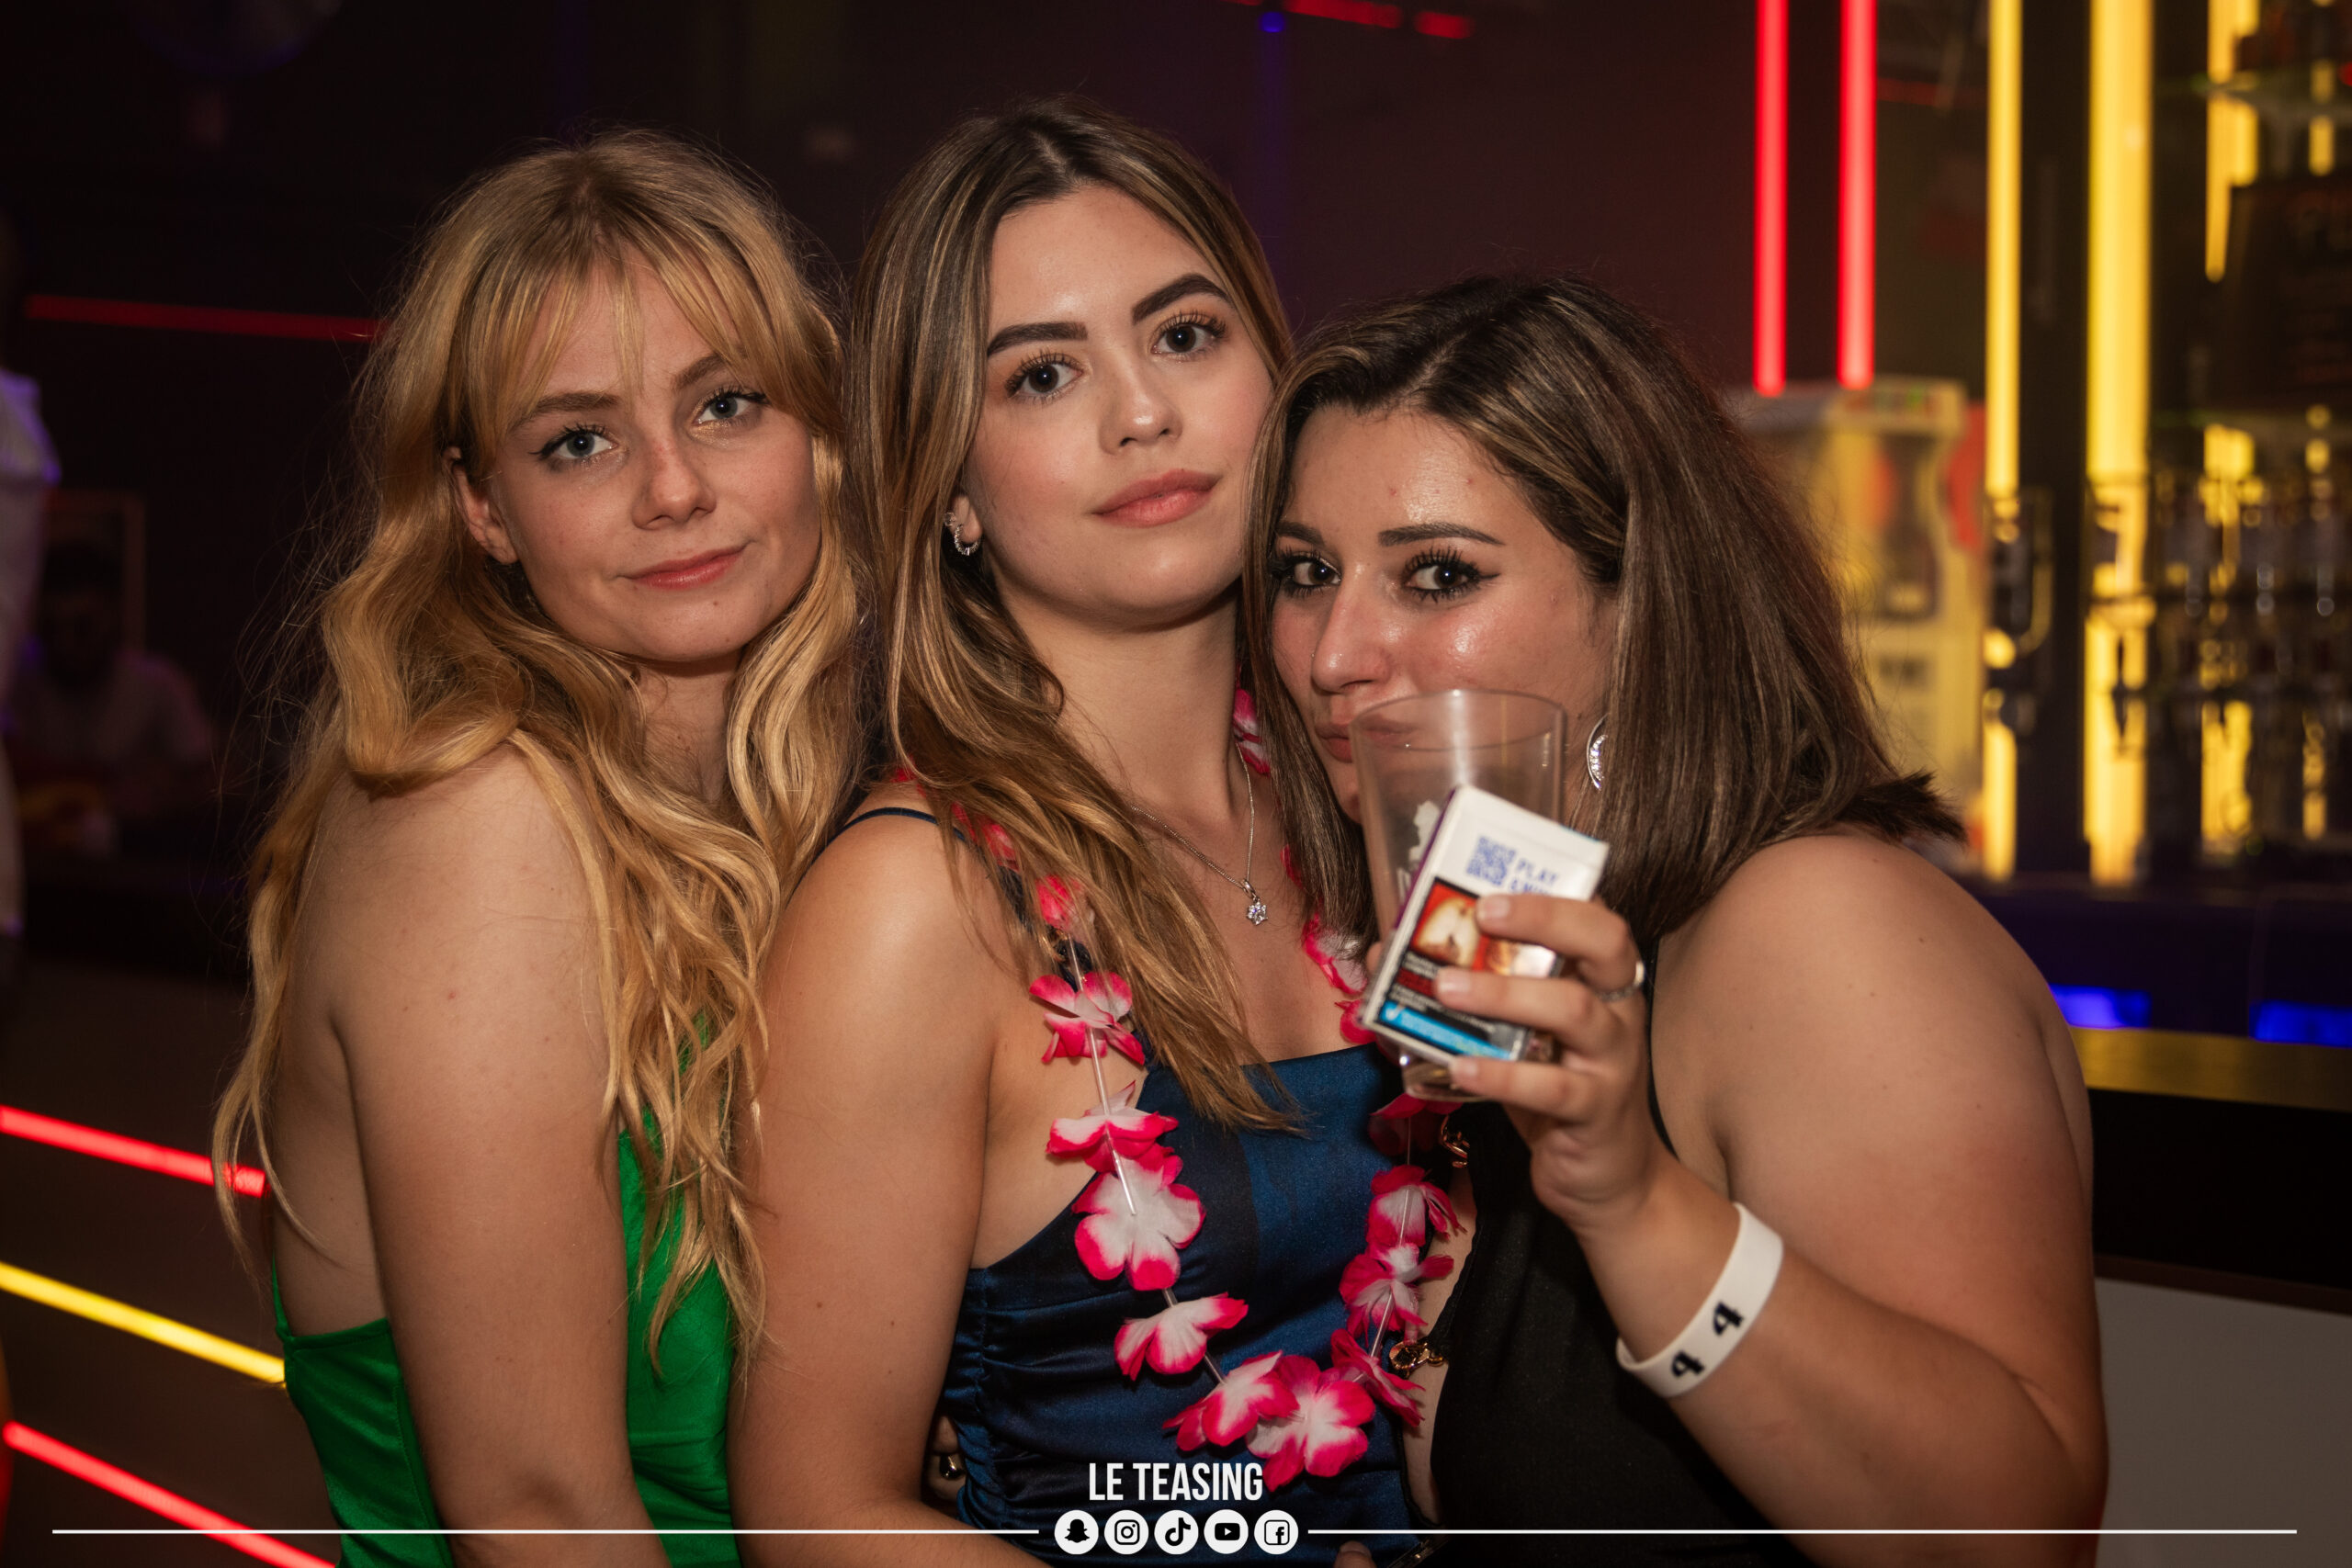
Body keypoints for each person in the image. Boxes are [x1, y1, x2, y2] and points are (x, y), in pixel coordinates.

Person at [1245, 276, 2106, 1566]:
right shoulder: (1503, 958)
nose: (1332, 652)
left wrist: (1637, 1203)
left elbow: (2018, 1540)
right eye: (1307, 572)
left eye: (1439, 575)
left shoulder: (1815, 924)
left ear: (1638, 606)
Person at [730, 100, 1418, 1565]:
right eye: (1043, 373)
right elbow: (814, 1515)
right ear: (950, 484)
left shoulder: (1364, 796)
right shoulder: (915, 900)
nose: (1142, 413)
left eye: (1184, 335)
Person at [210, 130, 863, 1567]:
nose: (673, 487)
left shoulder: (804, 821)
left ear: (815, 428)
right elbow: (538, 1513)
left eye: (726, 404)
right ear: (482, 507)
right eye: (581, 439)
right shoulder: (479, 820)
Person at [9, 539, 217, 856]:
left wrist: (160, 797)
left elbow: (216, 780)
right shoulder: (16, 681)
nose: (65, 644)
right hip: (41, 865)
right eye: (51, 628)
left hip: (135, 866)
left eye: (82, 627)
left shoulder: (156, 684)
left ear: (114, 615)